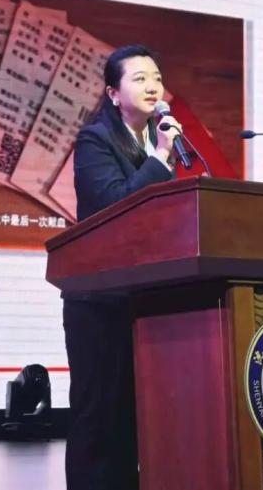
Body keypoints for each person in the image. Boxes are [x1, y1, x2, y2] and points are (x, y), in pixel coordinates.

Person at [62, 45, 181, 490]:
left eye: (157, 77)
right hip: (98, 300)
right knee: (98, 416)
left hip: (144, 299)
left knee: (133, 416)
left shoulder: (158, 141)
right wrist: (160, 159)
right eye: (140, 78)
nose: (153, 86)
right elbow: (113, 206)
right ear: (113, 94)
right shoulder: (95, 140)